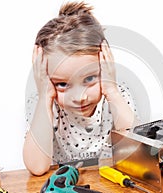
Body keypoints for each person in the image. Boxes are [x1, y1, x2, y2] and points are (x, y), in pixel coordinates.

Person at [23, 1, 139, 176]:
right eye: (62, 84)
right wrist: (45, 98)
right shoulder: (43, 103)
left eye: (90, 79)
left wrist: (112, 92)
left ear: (105, 65)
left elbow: (138, 152)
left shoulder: (117, 94)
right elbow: (37, 167)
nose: (79, 97)